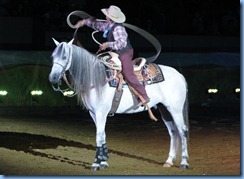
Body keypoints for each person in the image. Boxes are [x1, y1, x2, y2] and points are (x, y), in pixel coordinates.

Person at [75, 5, 150, 105]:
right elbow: (98, 26)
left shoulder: (118, 28)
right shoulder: (109, 25)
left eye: (107, 15)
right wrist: (84, 22)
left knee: (128, 74)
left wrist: (107, 44)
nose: (105, 17)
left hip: (124, 53)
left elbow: (121, 43)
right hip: (115, 52)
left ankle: (144, 95)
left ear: (110, 18)